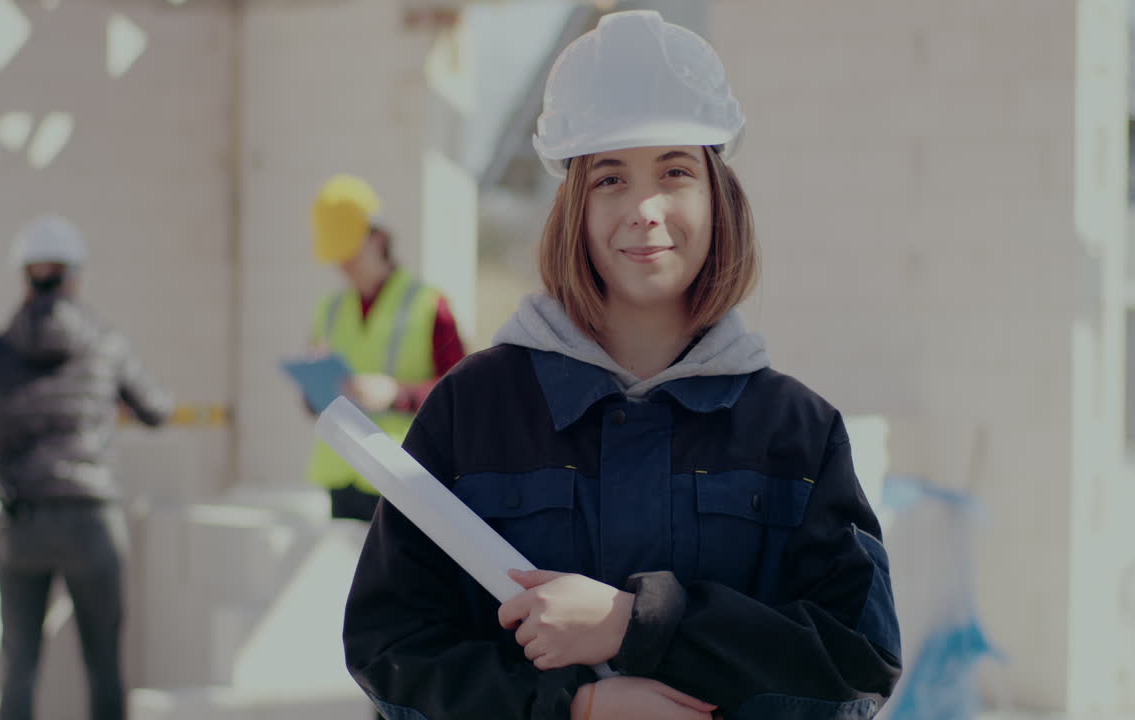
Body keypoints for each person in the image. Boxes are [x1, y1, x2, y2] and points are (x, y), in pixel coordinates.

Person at [341, 10, 901, 720]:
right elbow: (392, 653)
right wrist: (574, 709)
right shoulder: (473, 410)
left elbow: (856, 665)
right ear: (574, 204)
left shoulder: (796, 431)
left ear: (717, 194)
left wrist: (637, 623)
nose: (644, 208)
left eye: (674, 171)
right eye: (610, 177)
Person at [0, 215, 174, 720]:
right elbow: (157, 409)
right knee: (103, 670)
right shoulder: (106, 342)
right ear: (75, 276)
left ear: (25, 276)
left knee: (18, 672)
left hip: (22, 521)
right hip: (93, 522)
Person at [305, 174, 467, 522]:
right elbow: (311, 407)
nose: (342, 263)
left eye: (349, 251)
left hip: (399, 478)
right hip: (341, 475)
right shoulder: (329, 311)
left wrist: (397, 393)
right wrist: (315, 385)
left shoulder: (428, 305)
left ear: (377, 238)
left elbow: (463, 398)